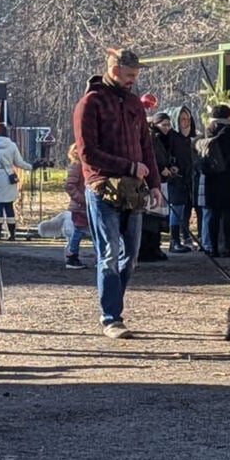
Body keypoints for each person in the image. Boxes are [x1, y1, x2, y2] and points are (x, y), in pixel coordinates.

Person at [73, 47, 162, 339]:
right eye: (129, 75)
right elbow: (87, 153)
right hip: (102, 189)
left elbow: (146, 147)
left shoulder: (135, 104)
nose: (132, 81)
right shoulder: (90, 104)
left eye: (135, 76)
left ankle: (114, 304)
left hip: (134, 189)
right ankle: (111, 317)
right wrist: (128, 166)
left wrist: (156, 185)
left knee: (131, 255)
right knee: (109, 253)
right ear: (113, 70)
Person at [201, 104, 230, 258]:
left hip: (211, 177)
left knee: (213, 213)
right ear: (228, 116)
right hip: (228, 178)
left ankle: (212, 247)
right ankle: (227, 246)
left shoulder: (208, 131)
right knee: (228, 214)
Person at [0, 122, 32, 241]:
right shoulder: (12, 145)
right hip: (9, 178)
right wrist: (30, 166)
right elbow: (19, 162)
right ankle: (12, 234)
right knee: (9, 206)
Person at [138, 112, 172, 261]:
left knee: (156, 217)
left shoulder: (161, 138)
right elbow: (151, 158)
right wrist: (161, 167)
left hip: (158, 181)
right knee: (150, 217)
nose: (167, 128)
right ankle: (147, 249)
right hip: (150, 182)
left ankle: (153, 248)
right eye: (163, 125)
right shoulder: (152, 137)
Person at [165, 104, 197, 249]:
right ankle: (174, 240)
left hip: (188, 178)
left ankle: (185, 236)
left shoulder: (189, 139)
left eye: (187, 119)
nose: (186, 122)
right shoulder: (172, 137)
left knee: (186, 209)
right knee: (176, 208)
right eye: (182, 119)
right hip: (176, 178)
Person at [64, 143, 89, 269]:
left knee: (83, 231)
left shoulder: (82, 165)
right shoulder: (76, 165)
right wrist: (82, 199)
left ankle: (72, 255)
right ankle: (71, 256)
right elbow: (69, 185)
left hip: (83, 205)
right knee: (79, 231)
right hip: (80, 205)